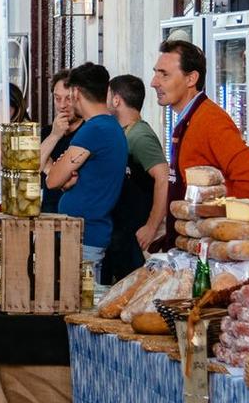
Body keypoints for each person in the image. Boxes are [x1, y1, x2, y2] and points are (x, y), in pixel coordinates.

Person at [44, 63, 128, 277]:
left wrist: (61, 175)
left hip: (84, 237)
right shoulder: (110, 126)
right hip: (86, 234)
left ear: (76, 92)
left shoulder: (94, 129)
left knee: (78, 302)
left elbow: (52, 180)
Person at [152, 39, 249, 198]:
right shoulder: (191, 117)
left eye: (164, 75)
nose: (153, 82)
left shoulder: (210, 120)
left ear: (191, 79)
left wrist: (228, 219)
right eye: (155, 73)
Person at [108, 73, 169, 271]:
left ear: (116, 100)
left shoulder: (140, 136)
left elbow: (163, 177)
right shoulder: (125, 132)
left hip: (139, 235)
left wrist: (151, 227)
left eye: (107, 95)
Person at [37, 71, 75, 213]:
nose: (62, 105)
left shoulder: (87, 131)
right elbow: (33, 168)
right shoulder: (47, 132)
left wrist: (49, 168)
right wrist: (54, 135)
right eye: (57, 99)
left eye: (68, 99)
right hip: (47, 214)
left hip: (74, 218)